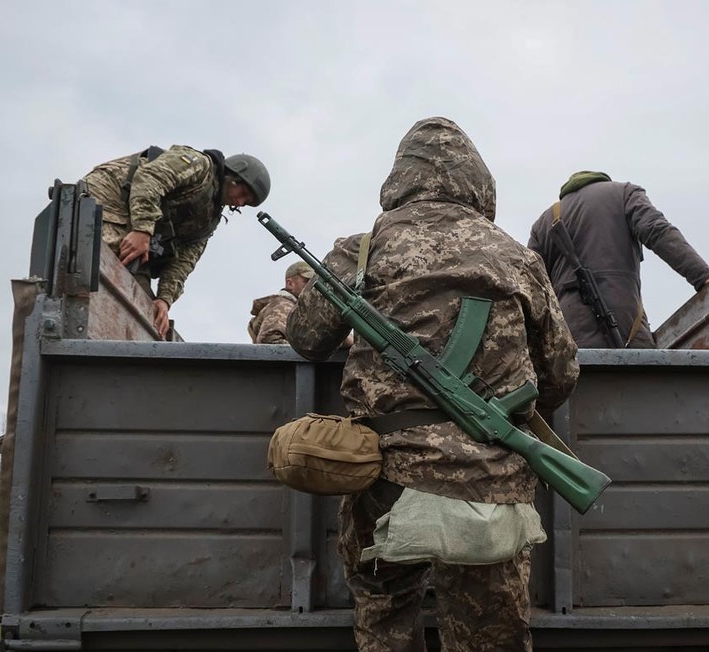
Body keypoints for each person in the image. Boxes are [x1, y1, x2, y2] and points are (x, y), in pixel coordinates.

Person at [286, 117, 579, 651]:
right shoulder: (518, 257)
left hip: (385, 479)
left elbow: (305, 339)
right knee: (491, 639)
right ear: (477, 182)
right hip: (491, 482)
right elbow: (560, 375)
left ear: (400, 178)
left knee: (385, 624)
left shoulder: (362, 249)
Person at [84, 145, 271, 338]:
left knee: (145, 305)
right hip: (106, 199)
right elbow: (149, 178)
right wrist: (142, 229)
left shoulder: (208, 220)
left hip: (134, 226)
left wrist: (164, 299)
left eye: (246, 202)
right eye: (243, 194)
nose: (240, 202)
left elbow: (184, 261)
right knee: (112, 260)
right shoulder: (199, 165)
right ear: (234, 177)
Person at [528, 171, 709, 348]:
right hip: (627, 326)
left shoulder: (543, 222)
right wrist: (702, 276)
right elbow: (658, 232)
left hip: (568, 335)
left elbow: (530, 285)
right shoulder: (624, 193)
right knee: (639, 377)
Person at [248, 261, 314, 344]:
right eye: (307, 281)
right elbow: (268, 340)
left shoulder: (294, 307)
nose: (312, 286)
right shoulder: (282, 305)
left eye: (313, 282)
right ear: (290, 283)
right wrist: (303, 354)